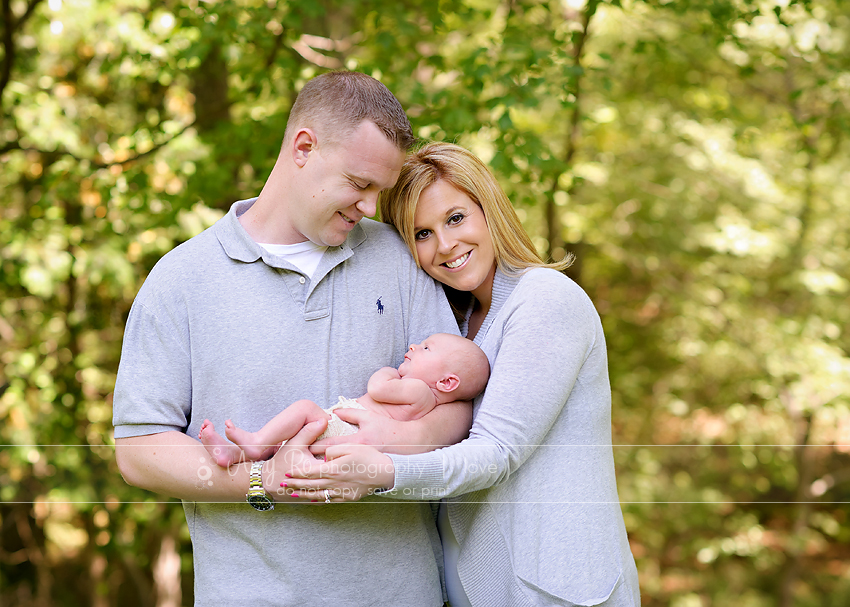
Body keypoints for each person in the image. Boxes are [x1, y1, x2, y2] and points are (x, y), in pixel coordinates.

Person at [112, 73, 475, 606]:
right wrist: (264, 479)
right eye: (359, 183)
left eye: (380, 190)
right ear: (304, 148)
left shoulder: (399, 259)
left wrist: (387, 447)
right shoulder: (181, 279)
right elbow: (139, 450)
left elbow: (461, 403)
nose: (371, 208)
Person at [284, 142, 641, 606]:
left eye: (455, 219)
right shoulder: (455, 326)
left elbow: (496, 453)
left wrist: (383, 471)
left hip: (562, 590)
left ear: (488, 208)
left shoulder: (545, 299)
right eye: (422, 234)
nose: (446, 245)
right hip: (477, 586)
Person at [199, 333, 490, 467]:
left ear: (447, 382)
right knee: (284, 447)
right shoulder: (426, 399)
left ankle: (256, 441)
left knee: (305, 410)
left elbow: (377, 389)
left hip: (345, 431)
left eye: (426, 347)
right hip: (347, 435)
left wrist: (388, 371)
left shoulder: (417, 391)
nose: (414, 345)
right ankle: (233, 455)